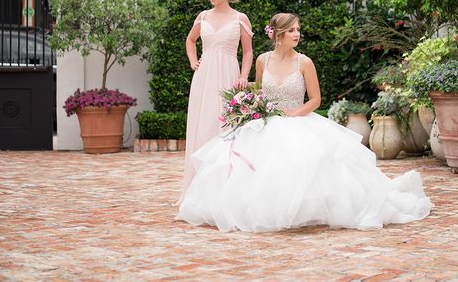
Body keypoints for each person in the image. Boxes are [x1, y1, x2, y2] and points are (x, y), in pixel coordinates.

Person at [176, 13, 433, 232]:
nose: (296, 34)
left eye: (297, 30)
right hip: (267, 121)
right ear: (277, 35)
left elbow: (316, 99)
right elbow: (259, 89)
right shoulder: (263, 60)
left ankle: (303, 210)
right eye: (291, 30)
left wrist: (295, 113)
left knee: (303, 165)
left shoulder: (305, 62)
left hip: (298, 120)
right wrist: (248, 103)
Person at [179, 0, 254, 203]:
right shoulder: (202, 17)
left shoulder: (240, 18)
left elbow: (248, 51)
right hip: (205, 77)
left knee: (225, 129)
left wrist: (243, 76)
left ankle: (225, 189)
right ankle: (199, 190)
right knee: (203, 126)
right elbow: (190, 40)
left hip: (228, 76)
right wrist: (194, 61)